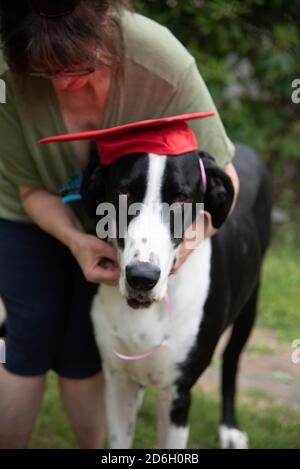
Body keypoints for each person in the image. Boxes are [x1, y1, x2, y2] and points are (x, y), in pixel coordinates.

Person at [0, 0, 239, 449]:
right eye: (46, 69)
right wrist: (76, 240)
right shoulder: (7, 75)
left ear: (106, 26)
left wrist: (182, 246)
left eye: (80, 62)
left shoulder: (160, 59)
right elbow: (30, 190)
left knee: (80, 349)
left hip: (130, 222)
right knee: (27, 338)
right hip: (31, 209)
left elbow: (224, 179)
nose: (66, 81)